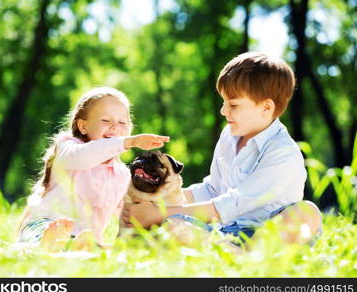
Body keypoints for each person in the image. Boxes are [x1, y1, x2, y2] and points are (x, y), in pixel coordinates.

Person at [122, 52, 322, 246]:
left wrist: (157, 213)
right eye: (224, 102)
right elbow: (213, 189)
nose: (223, 111)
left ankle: (249, 257)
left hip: (266, 236)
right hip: (226, 233)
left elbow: (231, 204)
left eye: (233, 105)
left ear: (266, 108)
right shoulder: (230, 135)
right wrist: (156, 203)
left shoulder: (282, 152)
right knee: (173, 226)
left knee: (306, 213)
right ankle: (234, 254)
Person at [17, 87, 169, 252]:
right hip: (43, 224)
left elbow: (128, 216)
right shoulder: (67, 148)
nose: (115, 127)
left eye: (122, 122)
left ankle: (76, 247)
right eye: (105, 121)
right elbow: (83, 156)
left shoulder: (121, 175)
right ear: (83, 126)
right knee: (42, 236)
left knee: (94, 247)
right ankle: (51, 243)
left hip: (85, 237)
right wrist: (128, 142)